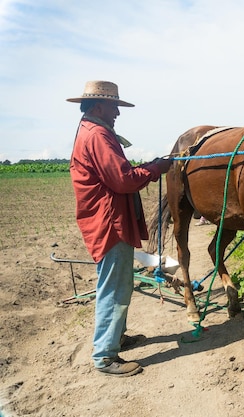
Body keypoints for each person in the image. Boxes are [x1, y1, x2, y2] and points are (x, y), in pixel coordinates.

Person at [67, 80, 172, 377]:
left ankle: (116, 339)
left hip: (107, 218)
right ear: (99, 105)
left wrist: (148, 167)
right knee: (114, 288)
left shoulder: (92, 130)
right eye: (114, 106)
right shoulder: (98, 135)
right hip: (109, 221)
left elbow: (119, 174)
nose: (117, 113)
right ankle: (105, 356)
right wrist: (155, 169)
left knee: (118, 283)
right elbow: (123, 179)